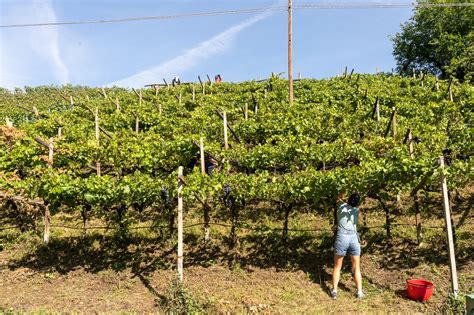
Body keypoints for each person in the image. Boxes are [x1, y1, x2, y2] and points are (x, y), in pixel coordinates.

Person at [331, 192, 364, 300]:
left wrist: (341, 188)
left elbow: (338, 196)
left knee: (337, 266)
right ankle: (359, 292)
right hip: (354, 238)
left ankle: (334, 291)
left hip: (342, 236)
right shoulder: (356, 210)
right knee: (356, 267)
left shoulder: (341, 206)